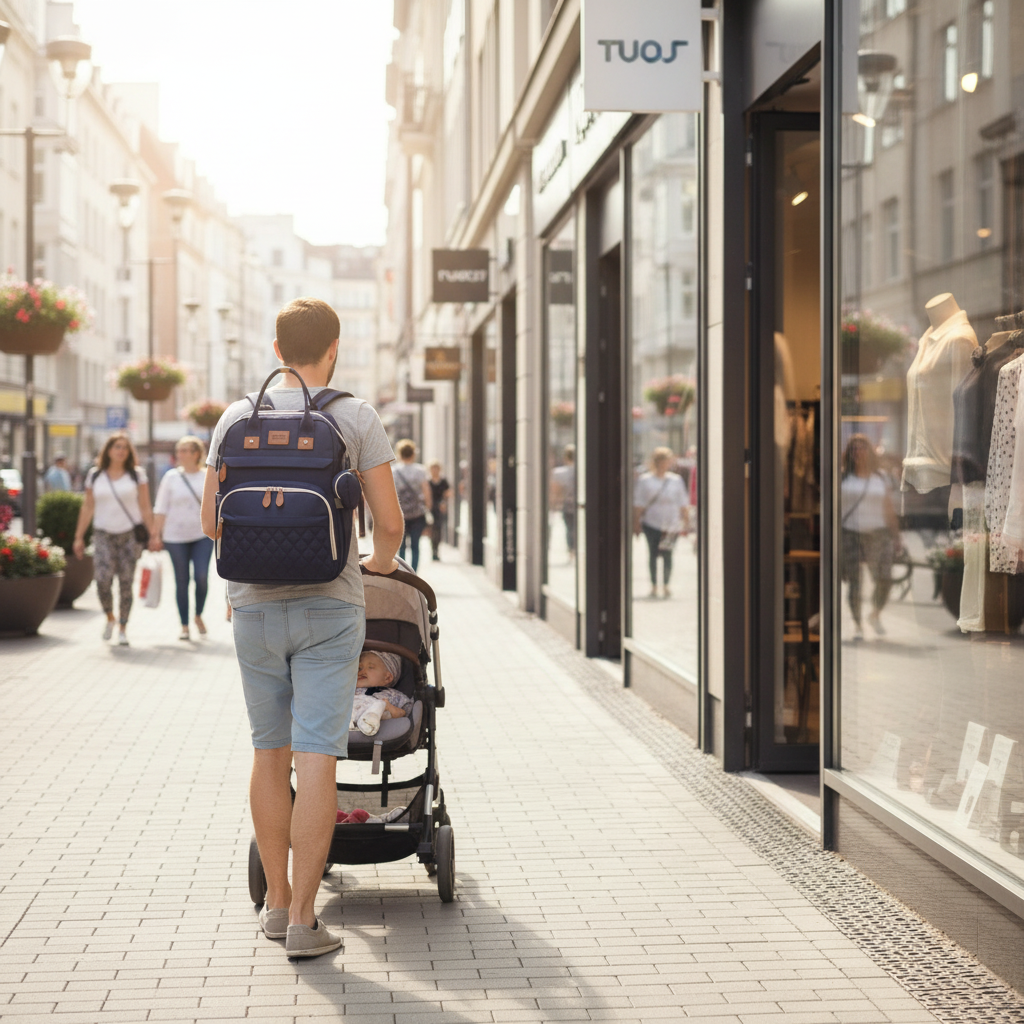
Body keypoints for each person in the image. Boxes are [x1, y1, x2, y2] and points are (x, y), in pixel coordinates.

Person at [201, 297, 403, 959]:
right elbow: (389, 525)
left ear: (277, 346)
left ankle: (276, 902)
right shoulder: (354, 415)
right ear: (333, 346)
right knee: (319, 752)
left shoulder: (236, 416)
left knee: (269, 751)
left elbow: (211, 523)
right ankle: (305, 923)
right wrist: (374, 562)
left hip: (252, 606)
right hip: (329, 606)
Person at [72, 433, 155, 646]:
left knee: (126, 583)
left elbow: (145, 507)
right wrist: (79, 537)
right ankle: (110, 617)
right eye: (116, 447)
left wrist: (154, 534)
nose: (120, 451)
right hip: (102, 534)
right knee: (102, 580)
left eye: (124, 448)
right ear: (108, 450)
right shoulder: (95, 475)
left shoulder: (137, 475)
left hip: (129, 536)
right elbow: (88, 506)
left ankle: (123, 628)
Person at [151, 436, 212, 641]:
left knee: (202, 577)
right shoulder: (171, 477)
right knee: (181, 581)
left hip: (202, 535)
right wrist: (156, 535)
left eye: (187, 450)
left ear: (197, 454)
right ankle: (184, 625)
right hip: (175, 537)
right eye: (180, 450)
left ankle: (198, 615)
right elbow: (161, 508)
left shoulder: (207, 476)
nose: (183, 454)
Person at [841, 434, 901, 639]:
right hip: (850, 534)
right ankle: (857, 624)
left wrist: (896, 536)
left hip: (878, 534)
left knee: (884, 579)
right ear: (849, 454)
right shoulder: (842, 477)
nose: (858, 452)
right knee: (855, 582)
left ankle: (874, 614)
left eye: (862, 448)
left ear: (869, 452)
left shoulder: (881, 478)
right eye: (854, 449)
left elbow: (889, 509)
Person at [633, 447, 690, 599]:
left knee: (667, 554)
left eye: (667, 461)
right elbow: (639, 503)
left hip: (671, 524)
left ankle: (665, 584)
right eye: (662, 461)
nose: (665, 464)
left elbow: (683, 502)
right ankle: (653, 585)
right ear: (656, 462)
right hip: (652, 523)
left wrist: (686, 520)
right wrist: (636, 524)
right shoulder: (645, 480)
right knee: (652, 554)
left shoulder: (675, 480)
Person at [391, 439, 431, 572]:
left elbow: (390, 493)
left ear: (399, 454)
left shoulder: (394, 471)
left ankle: (403, 573)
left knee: (400, 546)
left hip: (399, 513)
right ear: (413, 454)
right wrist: (428, 508)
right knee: (415, 545)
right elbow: (426, 492)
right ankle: (414, 574)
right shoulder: (420, 470)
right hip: (417, 514)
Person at [350, 650, 413, 735]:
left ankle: (371, 719)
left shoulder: (393, 694)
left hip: (377, 712)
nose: (361, 672)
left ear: (387, 678)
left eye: (370, 667)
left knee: (381, 705)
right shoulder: (349, 689)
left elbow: (405, 712)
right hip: (351, 711)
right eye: (359, 668)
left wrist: (390, 708)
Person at [550, 444, 576, 559]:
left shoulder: (559, 473)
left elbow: (556, 492)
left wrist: (553, 505)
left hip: (567, 505)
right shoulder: (584, 471)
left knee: (569, 528)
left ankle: (571, 550)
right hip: (581, 505)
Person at [427, 459, 451, 562]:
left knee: (438, 529)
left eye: (436, 469)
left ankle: (436, 550)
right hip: (430, 508)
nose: (435, 471)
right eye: (433, 469)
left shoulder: (443, 481)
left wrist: (444, 502)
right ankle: (433, 550)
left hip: (440, 508)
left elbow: (448, 493)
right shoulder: (427, 482)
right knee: (432, 530)